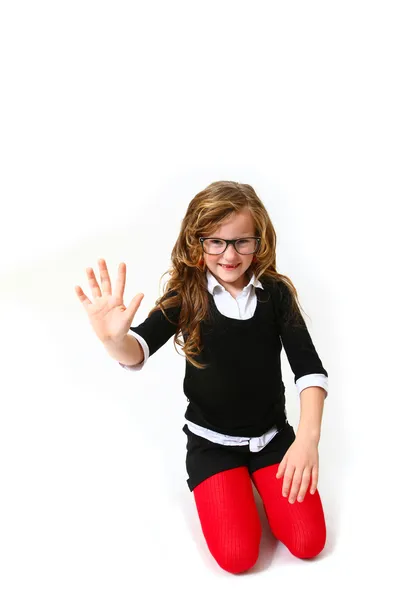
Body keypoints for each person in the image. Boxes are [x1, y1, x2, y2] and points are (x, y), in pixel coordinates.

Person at [75, 180, 329, 574]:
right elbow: (137, 348)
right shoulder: (187, 295)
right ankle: (233, 481)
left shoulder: (275, 294)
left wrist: (307, 441)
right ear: (198, 243)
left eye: (242, 241)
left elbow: (308, 369)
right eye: (216, 242)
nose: (229, 254)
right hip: (213, 445)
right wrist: (115, 339)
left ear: (259, 242)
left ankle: (260, 476)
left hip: (273, 438)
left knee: (308, 543)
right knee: (238, 557)